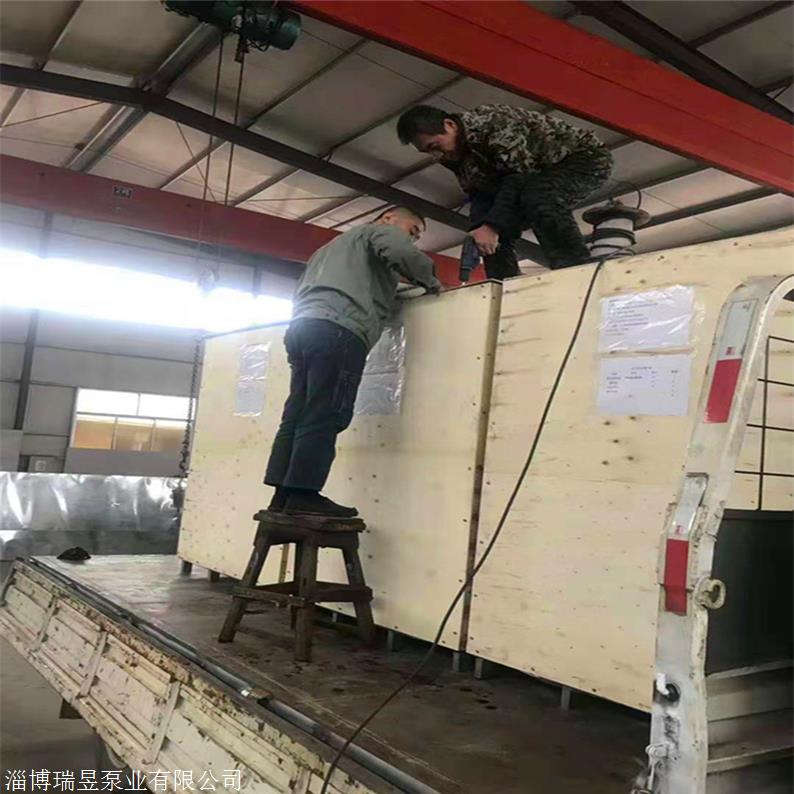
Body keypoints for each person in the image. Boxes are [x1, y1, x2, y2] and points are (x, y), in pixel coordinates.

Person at [264, 207, 441, 518]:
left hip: (303, 327)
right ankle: (304, 494)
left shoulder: (330, 250)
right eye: (412, 231)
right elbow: (401, 253)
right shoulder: (377, 232)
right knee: (326, 412)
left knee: (298, 412)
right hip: (340, 330)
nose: (413, 239)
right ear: (388, 218)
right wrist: (432, 281)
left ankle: (283, 495)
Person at [396, 104, 613, 278]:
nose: (435, 155)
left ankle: (574, 267)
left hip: (583, 160)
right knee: (485, 229)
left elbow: (519, 176)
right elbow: (479, 193)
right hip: (528, 177)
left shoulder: (493, 123)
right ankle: (503, 282)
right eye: (427, 151)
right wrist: (482, 228)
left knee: (537, 196)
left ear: (450, 125)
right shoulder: (451, 154)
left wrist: (493, 225)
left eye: (434, 146)